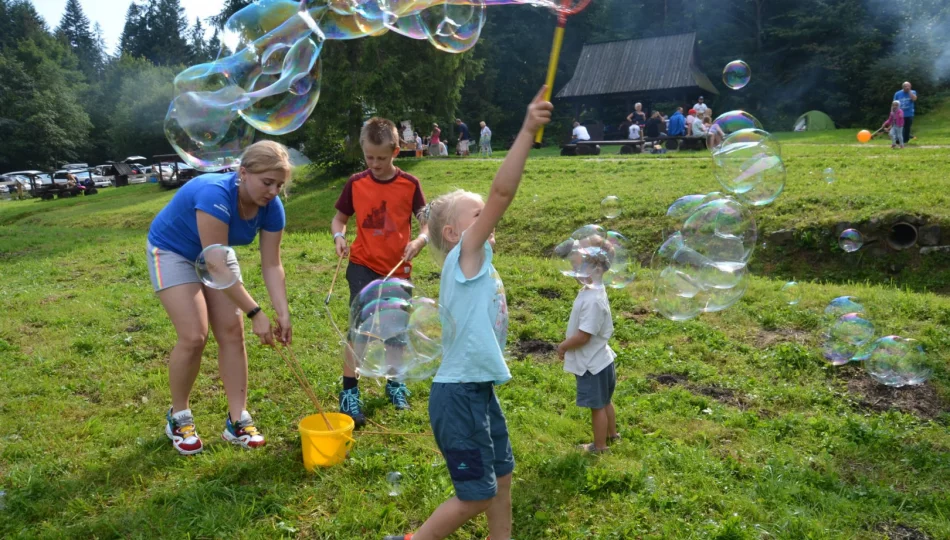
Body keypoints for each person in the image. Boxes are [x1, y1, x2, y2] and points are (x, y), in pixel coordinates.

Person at [383, 87, 552, 540]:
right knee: (476, 494)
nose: (489, 218)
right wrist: (526, 130)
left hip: (476, 391)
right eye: (479, 215)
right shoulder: (466, 257)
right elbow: (502, 191)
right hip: (458, 397)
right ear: (457, 233)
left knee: (501, 479)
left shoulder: (475, 263)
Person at [146, 140, 292, 455]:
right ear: (243, 173)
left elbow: (272, 263)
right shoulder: (215, 195)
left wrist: (282, 312)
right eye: (267, 182)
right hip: (174, 251)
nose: (273, 191)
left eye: (279, 185)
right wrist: (257, 313)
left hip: (217, 253)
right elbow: (214, 266)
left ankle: (237, 420)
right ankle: (179, 416)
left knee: (231, 331)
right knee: (194, 335)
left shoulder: (271, 208)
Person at [331, 117, 430, 427]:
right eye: (369, 157)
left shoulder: (410, 185)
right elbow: (339, 219)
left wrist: (419, 240)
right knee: (358, 328)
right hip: (362, 264)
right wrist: (339, 236)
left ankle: (395, 382)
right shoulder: (355, 183)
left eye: (381, 158)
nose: (374, 163)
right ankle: (349, 392)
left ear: (396, 152)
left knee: (395, 331)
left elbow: (426, 223)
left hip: (397, 268)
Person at [556, 235, 618, 453]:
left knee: (597, 406)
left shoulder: (593, 301)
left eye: (579, 265)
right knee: (606, 401)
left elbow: (584, 337)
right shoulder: (594, 290)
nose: (574, 268)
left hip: (592, 365)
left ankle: (600, 446)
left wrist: (563, 346)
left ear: (597, 269)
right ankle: (613, 434)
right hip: (603, 360)